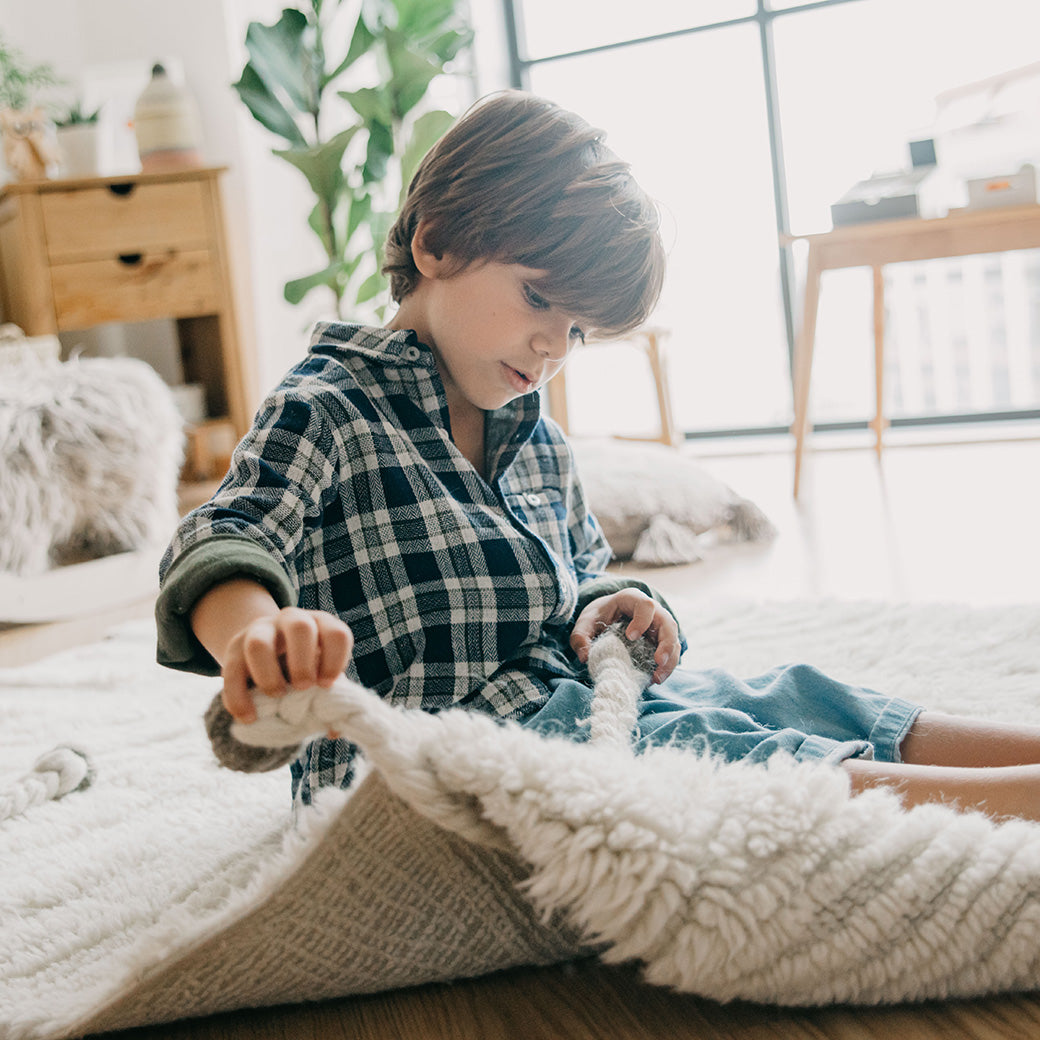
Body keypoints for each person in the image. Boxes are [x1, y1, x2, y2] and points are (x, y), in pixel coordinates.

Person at [157, 90, 1040, 822]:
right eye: (538, 297)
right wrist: (259, 632)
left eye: (577, 328)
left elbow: (577, 578)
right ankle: (1014, 804)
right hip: (445, 763)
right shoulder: (328, 407)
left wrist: (619, 604)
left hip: (580, 707)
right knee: (733, 761)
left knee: (792, 696)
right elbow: (220, 539)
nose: (553, 345)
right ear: (434, 244)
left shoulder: (534, 434)